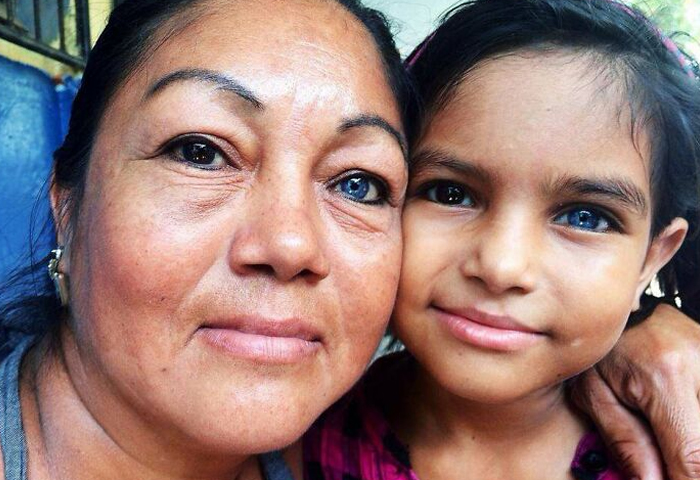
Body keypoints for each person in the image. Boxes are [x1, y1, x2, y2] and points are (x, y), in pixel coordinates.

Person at [1, 0, 700, 479]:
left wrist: (639, 322)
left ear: (654, 254)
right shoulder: (334, 443)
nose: (290, 245)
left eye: (358, 183)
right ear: (68, 201)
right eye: (200, 151)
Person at [302, 1, 700, 479]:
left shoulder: (676, 447)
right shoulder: (296, 436)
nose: (501, 266)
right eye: (451, 193)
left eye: (586, 218)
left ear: (652, 260)